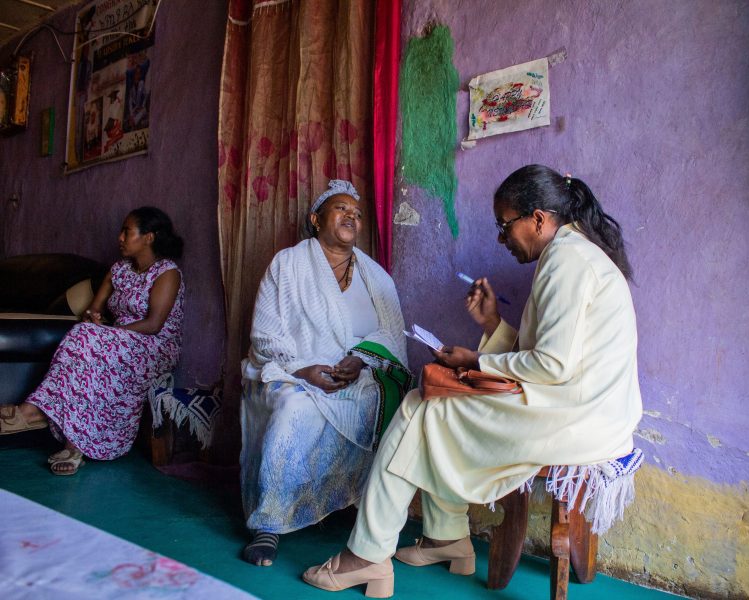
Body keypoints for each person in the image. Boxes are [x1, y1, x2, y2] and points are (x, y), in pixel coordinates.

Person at [301, 165, 643, 598]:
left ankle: (368, 555)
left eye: (505, 227)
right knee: (437, 404)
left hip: (577, 418)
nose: (503, 240)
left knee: (419, 405)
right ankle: (447, 538)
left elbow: (553, 365)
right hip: (581, 407)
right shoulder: (570, 253)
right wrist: (494, 325)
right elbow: (552, 354)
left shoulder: (567, 262)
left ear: (538, 219)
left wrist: (479, 361)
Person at [240, 179, 413, 567]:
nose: (352, 216)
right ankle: (269, 521)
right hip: (294, 368)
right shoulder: (287, 264)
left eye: (357, 213)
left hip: (357, 372)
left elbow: (390, 333)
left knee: (385, 404)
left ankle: (353, 506)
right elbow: (265, 333)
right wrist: (303, 369)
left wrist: (360, 360)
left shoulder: (376, 276)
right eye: (341, 209)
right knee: (292, 409)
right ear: (316, 219)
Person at [0, 207, 185, 476]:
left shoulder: (167, 272)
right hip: (117, 342)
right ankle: (73, 445)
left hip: (154, 345)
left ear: (149, 237)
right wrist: (93, 318)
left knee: (88, 340)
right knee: (84, 338)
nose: (120, 237)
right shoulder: (118, 270)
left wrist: (105, 335)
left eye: (127, 231)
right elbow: (93, 311)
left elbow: (155, 324)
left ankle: (32, 413)